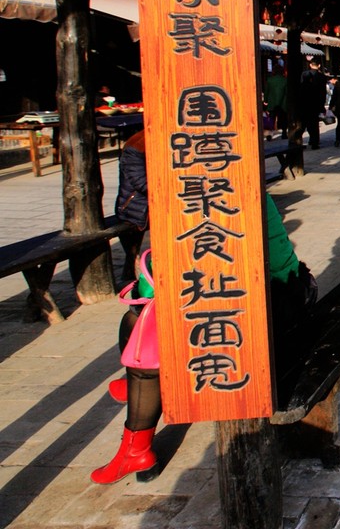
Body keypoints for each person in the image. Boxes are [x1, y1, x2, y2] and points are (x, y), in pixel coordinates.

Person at [92, 195, 317, 485]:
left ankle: (136, 442)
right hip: (277, 294)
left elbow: (168, 280)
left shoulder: (209, 202)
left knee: (146, 325)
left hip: (274, 306)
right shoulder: (233, 185)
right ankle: (138, 415)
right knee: (143, 320)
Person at [114, 130, 148, 285]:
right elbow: (141, 183)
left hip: (150, 208)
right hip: (136, 208)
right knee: (141, 253)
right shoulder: (135, 148)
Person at [299, 60, 327, 149]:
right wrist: (322, 105)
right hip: (315, 104)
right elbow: (323, 92)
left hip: (303, 104)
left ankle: (297, 141)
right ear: (318, 65)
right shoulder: (322, 77)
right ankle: (314, 142)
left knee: (302, 124)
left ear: (310, 65)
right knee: (314, 124)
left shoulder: (303, 77)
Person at [264, 63, 288, 140]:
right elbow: (287, 92)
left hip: (272, 103)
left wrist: (265, 100)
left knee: (271, 119)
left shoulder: (270, 80)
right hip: (283, 103)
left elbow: (266, 91)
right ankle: (284, 133)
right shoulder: (285, 80)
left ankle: (269, 134)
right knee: (283, 118)